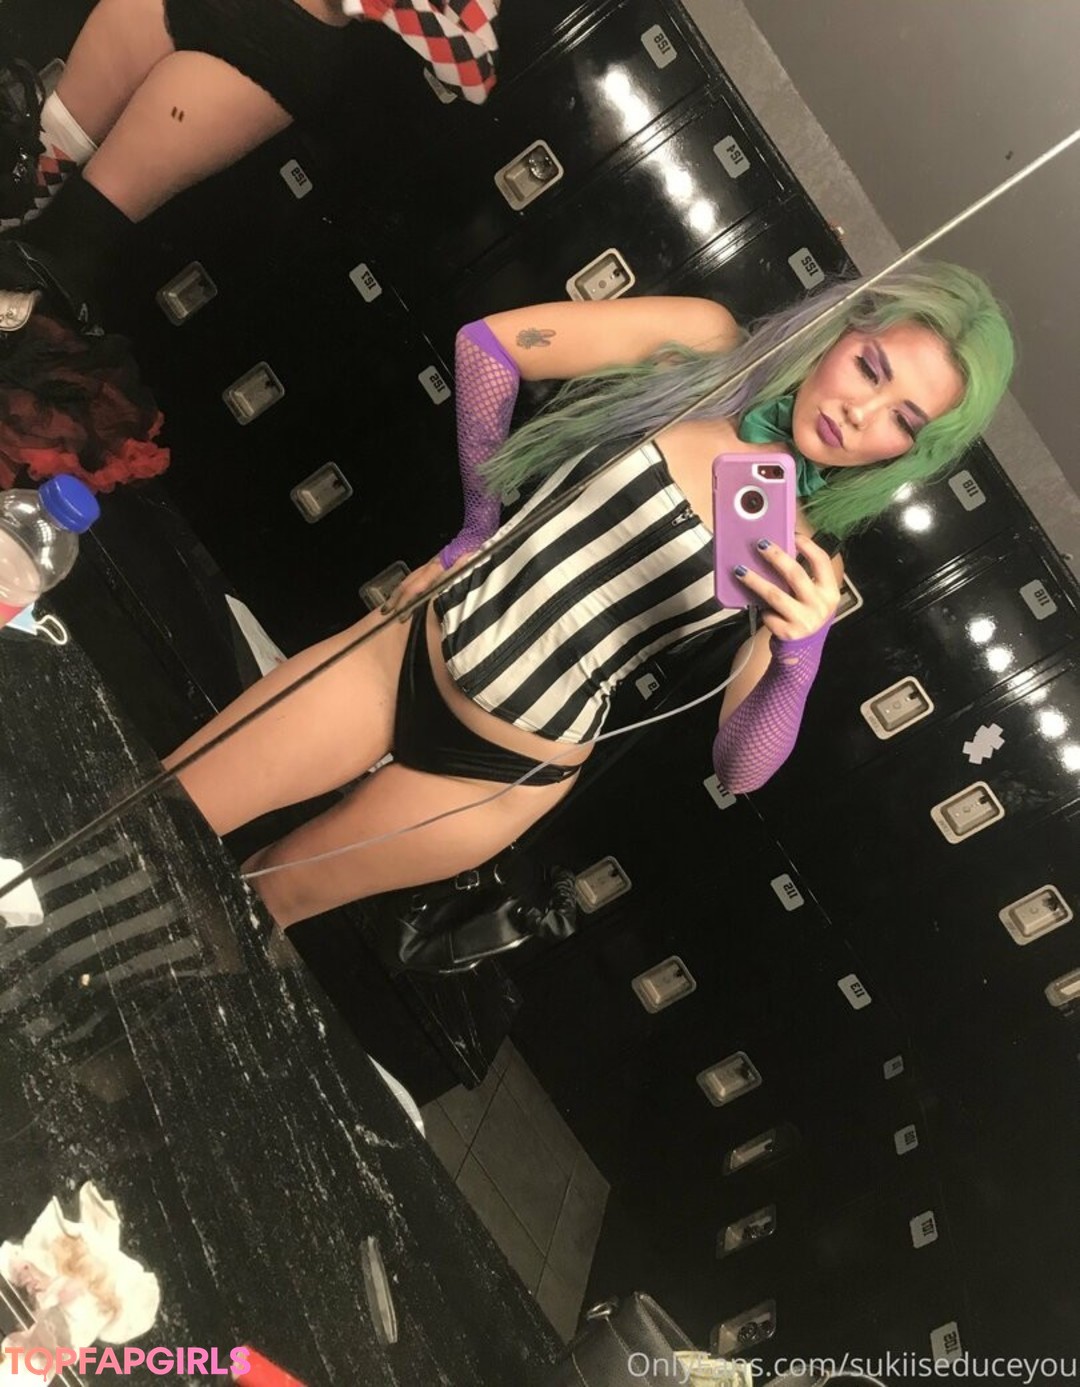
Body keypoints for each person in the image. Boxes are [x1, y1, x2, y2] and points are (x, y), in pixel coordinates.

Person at [164, 262, 1014, 928]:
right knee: (175, 805)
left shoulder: (804, 556)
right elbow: (490, 346)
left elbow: (740, 768)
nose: (862, 414)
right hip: (405, 652)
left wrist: (798, 661)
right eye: (870, 368)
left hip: (502, 776)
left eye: (903, 420)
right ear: (839, 331)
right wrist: (477, 524)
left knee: (258, 905)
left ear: (911, 453)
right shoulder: (706, 347)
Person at [0, 0, 502, 302]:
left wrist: (378, 3)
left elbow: (474, 70)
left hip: (267, 43)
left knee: (82, 228)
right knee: (31, 159)